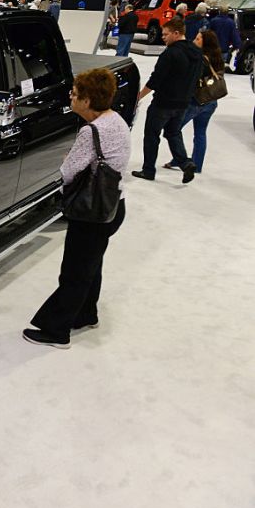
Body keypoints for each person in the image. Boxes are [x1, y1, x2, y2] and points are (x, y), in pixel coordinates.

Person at [23, 69, 130, 349]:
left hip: (91, 213)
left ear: (87, 100)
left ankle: (56, 330)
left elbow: (69, 171)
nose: (71, 97)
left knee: (74, 272)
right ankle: (86, 314)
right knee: (91, 265)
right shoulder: (117, 121)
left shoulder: (91, 131)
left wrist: (66, 160)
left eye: (75, 93)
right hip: (113, 206)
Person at [131, 17, 201, 183]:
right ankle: (185, 163)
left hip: (163, 103)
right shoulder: (197, 52)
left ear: (176, 33)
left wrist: (138, 96)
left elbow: (156, 80)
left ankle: (148, 170)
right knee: (173, 133)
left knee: (151, 135)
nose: (163, 37)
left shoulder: (170, 53)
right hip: (183, 103)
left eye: (166, 34)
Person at [165, 30, 224, 174]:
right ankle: (195, 164)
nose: (194, 41)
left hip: (195, 102)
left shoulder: (199, 59)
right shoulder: (217, 58)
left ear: (205, 43)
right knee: (200, 133)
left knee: (173, 131)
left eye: (198, 39)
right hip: (210, 101)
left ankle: (182, 160)